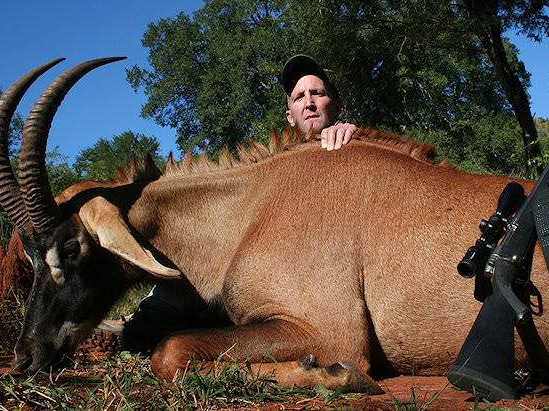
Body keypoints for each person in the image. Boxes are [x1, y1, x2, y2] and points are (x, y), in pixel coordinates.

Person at [96, 55, 358, 351]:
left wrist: (356, 137)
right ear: (289, 114)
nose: (309, 102)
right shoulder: (269, 166)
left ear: (334, 105)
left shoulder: (351, 144)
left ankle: (160, 325)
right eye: (299, 97)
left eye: (318, 94)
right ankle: (147, 319)